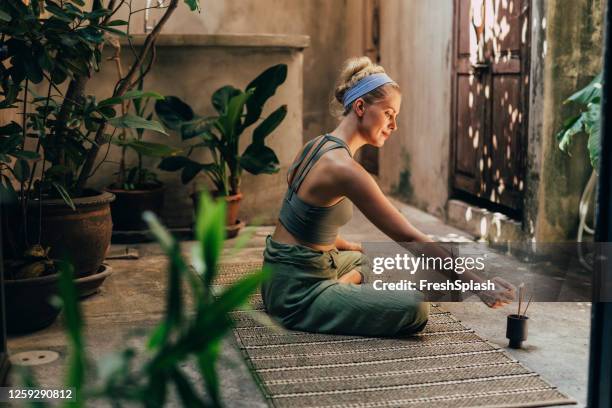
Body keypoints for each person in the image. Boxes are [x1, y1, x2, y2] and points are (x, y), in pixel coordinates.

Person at [261, 56, 513, 337]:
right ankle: (331, 293)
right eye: (389, 114)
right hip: (296, 294)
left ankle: (340, 287)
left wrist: (349, 246)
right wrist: (477, 284)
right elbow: (412, 238)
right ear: (360, 107)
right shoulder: (346, 170)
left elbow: (301, 220)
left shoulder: (315, 146)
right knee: (414, 308)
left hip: (276, 273)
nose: (394, 125)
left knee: (374, 258)